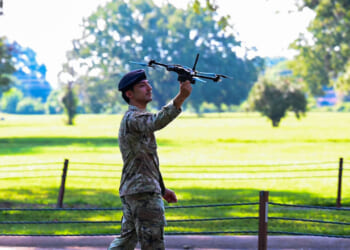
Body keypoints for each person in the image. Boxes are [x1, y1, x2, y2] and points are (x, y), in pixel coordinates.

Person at [108, 69, 192, 250]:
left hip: (137, 190)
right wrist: (181, 97)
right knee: (153, 244)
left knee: (125, 243)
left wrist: (161, 188)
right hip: (142, 193)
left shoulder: (136, 118)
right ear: (129, 94)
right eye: (141, 86)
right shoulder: (133, 117)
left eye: (147, 83)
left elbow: (146, 160)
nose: (148, 87)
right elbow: (156, 121)